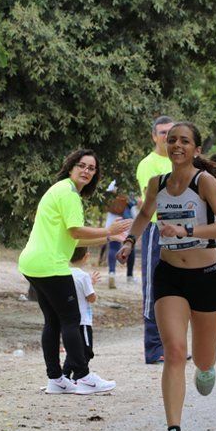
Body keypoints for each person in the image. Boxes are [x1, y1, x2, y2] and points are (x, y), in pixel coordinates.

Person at [117, 121, 216, 431]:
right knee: (174, 350)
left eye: (185, 141)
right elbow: (143, 214)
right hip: (169, 275)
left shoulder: (205, 183)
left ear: (196, 149)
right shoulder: (158, 183)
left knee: (201, 358)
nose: (177, 145)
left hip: (208, 278)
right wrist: (130, 241)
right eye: (172, 140)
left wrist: (186, 229)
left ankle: (206, 367)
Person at [18, 149, 131, 395]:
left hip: (32, 263)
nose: (87, 171)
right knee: (71, 320)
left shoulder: (60, 190)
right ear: (70, 167)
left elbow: (74, 239)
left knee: (53, 321)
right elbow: (77, 231)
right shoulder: (68, 194)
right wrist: (107, 230)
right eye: (82, 165)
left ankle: (56, 379)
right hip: (51, 266)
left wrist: (109, 235)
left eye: (92, 168)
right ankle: (83, 376)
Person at [136, 116, 175, 364]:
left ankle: (173, 346)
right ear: (154, 136)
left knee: (177, 288)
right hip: (157, 230)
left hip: (182, 231)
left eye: (171, 132)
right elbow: (152, 201)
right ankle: (153, 348)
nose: (166, 136)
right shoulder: (148, 164)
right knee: (153, 287)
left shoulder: (181, 160)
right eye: (162, 133)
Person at [61, 247, 109, 390]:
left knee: (73, 350)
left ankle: (66, 374)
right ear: (86, 256)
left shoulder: (65, 274)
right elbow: (91, 297)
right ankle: (80, 376)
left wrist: (90, 283)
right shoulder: (83, 276)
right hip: (84, 321)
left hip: (70, 320)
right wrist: (92, 290)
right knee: (86, 350)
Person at [104, 181, 137, 289]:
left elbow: (106, 199)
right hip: (127, 219)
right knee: (130, 245)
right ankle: (129, 276)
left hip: (113, 218)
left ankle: (112, 272)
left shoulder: (112, 183)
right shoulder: (130, 181)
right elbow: (134, 202)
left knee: (113, 246)